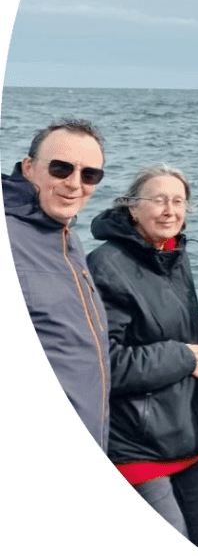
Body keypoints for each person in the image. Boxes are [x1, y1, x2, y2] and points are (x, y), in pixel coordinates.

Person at [88, 164, 198, 556]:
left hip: (192, 438)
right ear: (132, 209)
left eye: (178, 201)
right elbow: (106, 364)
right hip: (139, 446)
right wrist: (181, 356)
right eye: (158, 200)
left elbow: (189, 333)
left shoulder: (174, 256)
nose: (170, 210)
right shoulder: (106, 266)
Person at [2, 119, 110, 451]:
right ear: (29, 168)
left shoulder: (69, 239)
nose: (75, 184)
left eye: (89, 174)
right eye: (61, 169)